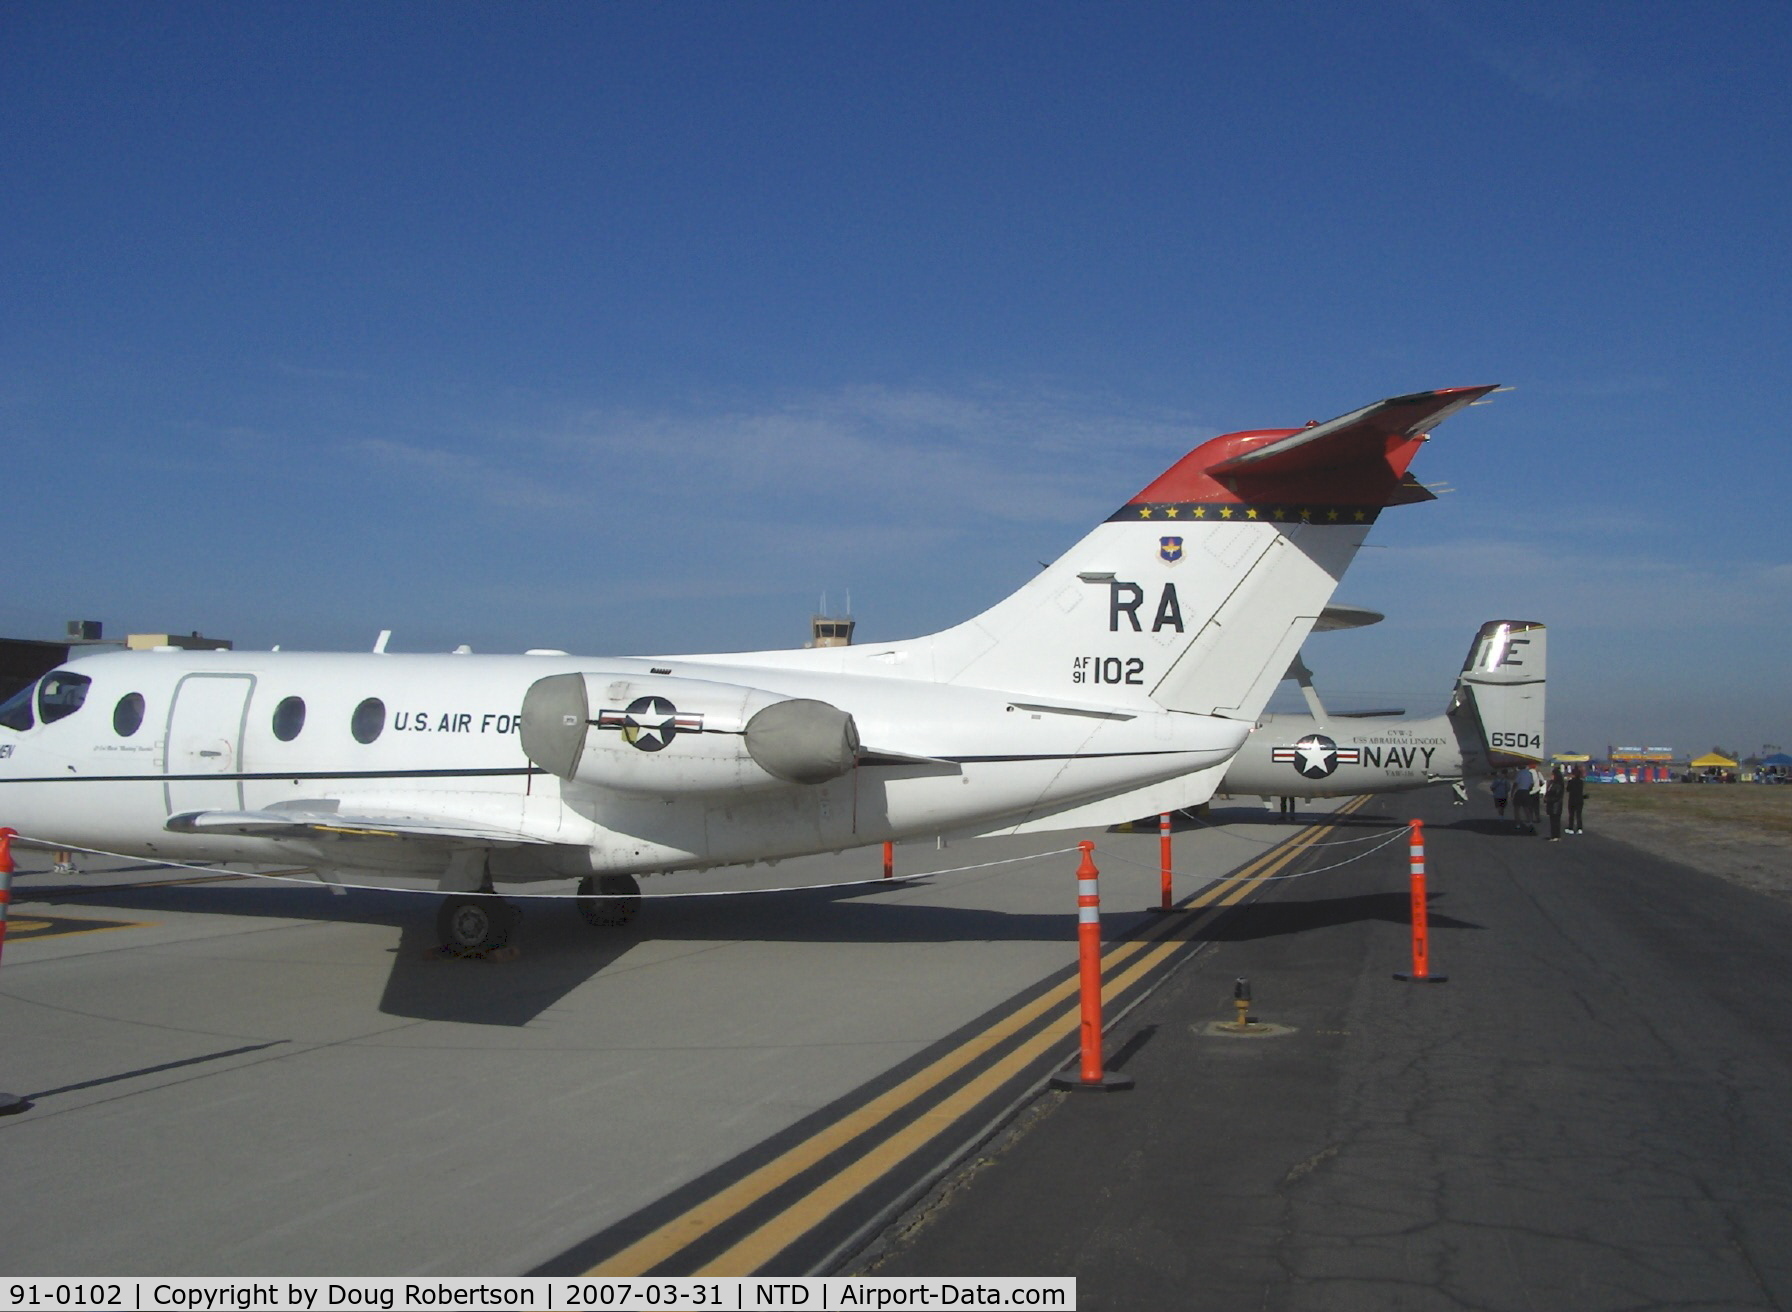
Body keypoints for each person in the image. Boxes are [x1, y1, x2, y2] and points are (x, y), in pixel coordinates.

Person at [1544, 767, 1565, 840]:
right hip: (1552, 805)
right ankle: (1554, 835)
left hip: (1555, 805)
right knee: (1553, 821)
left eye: (1552, 775)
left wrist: (1548, 799)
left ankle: (1555, 836)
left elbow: (1557, 796)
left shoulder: (1558, 785)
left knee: (1555, 821)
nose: (1551, 776)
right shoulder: (1552, 783)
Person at [1566, 765, 1586, 834]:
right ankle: (1579, 828)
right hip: (1580, 799)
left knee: (1571, 815)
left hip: (1572, 799)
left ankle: (1571, 828)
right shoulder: (1581, 782)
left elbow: (1568, 789)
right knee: (1579, 815)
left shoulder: (1570, 782)